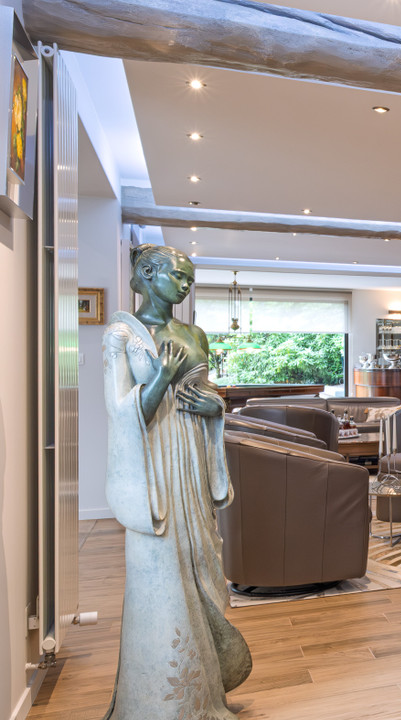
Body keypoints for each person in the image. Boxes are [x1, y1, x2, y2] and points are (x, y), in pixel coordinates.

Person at [101, 244, 251, 719]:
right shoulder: (122, 334)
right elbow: (121, 414)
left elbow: (207, 396)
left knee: (201, 567)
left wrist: (216, 408)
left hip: (191, 463)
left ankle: (204, 691)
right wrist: (162, 377)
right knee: (161, 576)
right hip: (154, 472)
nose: (185, 285)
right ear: (147, 273)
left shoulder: (194, 333)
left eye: (190, 278)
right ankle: (161, 704)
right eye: (178, 276)